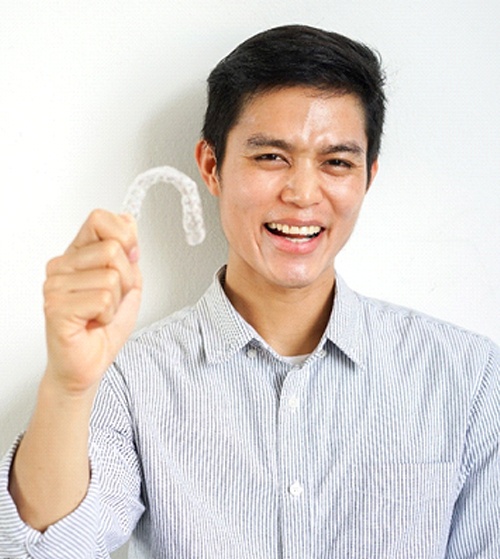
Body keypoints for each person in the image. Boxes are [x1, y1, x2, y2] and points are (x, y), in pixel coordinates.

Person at [1, 24, 499, 559]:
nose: (303, 193)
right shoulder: (131, 379)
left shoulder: (468, 379)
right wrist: (69, 385)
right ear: (212, 167)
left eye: (336, 162)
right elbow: (44, 552)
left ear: (367, 178)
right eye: (271, 157)